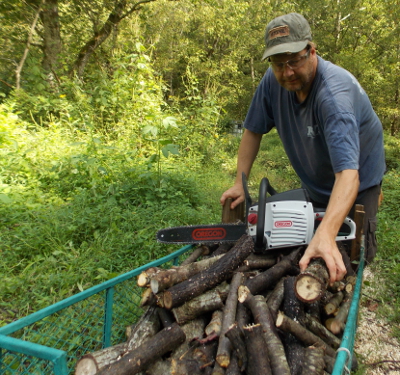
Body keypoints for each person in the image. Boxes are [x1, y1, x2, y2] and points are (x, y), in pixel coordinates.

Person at [220, 13, 386, 284]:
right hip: (317, 181)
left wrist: (327, 234)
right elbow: (252, 130)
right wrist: (241, 181)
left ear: (311, 51)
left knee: (347, 260)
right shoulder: (272, 81)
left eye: (294, 61)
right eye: (278, 63)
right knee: (305, 244)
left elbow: (348, 176)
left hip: (356, 185)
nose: (287, 72)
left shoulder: (333, 97)